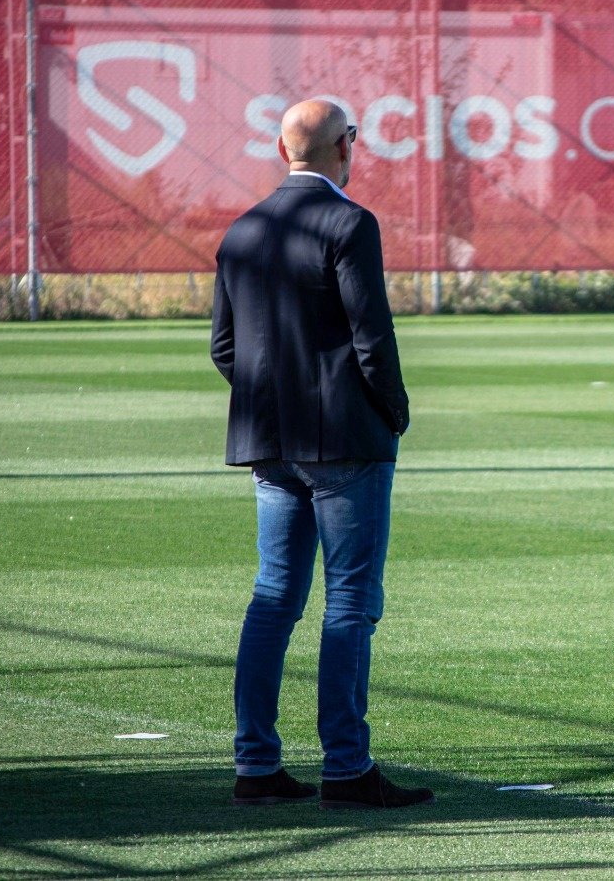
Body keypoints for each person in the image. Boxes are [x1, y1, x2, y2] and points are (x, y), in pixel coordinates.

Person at [211, 98, 433, 809]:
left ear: (283, 151)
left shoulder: (243, 230)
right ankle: (346, 766)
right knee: (350, 605)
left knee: (273, 601)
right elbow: (372, 337)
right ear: (346, 146)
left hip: (270, 446)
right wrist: (393, 412)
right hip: (345, 444)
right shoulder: (349, 222)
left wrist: (274, 403)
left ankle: (256, 766)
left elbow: (224, 348)